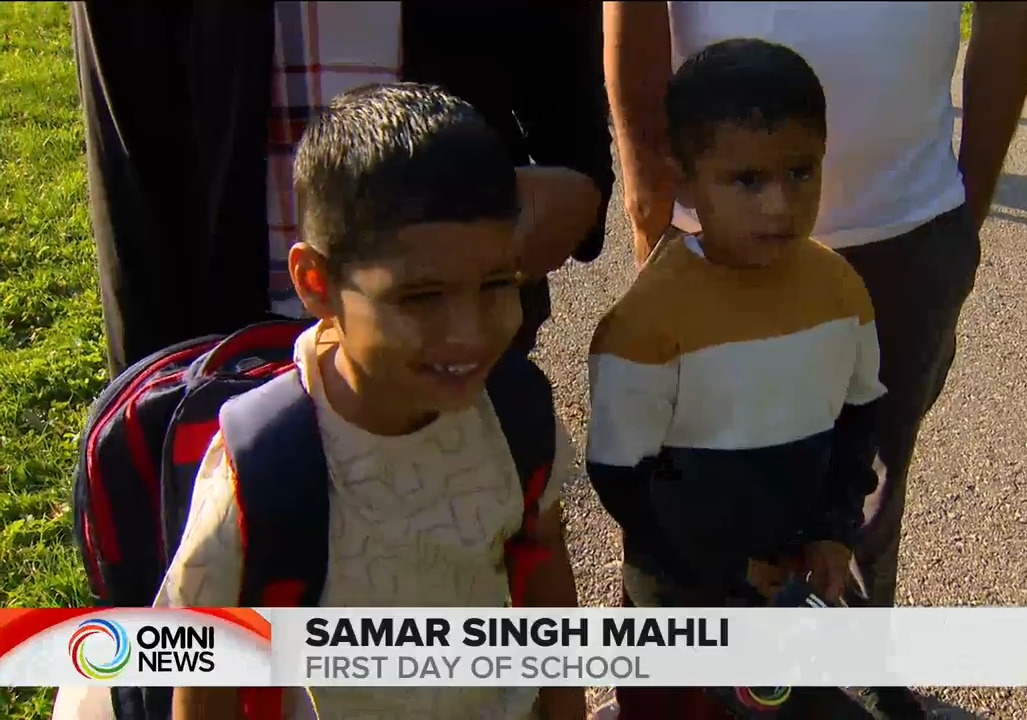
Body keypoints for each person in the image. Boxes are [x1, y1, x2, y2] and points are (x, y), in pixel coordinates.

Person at [63, 84, 587, 720]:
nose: (470, 332)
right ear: (317, 283)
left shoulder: (514, 415)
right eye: (421, 297)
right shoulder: (260, 469)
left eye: (497, 284)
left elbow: (549, 592)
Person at [604, 3, 1027, 716]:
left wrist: (966, 208)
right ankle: (673, 683)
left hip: (906, 221)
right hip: (707, 225)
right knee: (689, 466)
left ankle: (849, 663)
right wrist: (647, 190)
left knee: (863, 471)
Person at [69, 1, 612, 378]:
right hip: (239, 349)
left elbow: (565, 75)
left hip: (472, 349)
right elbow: (129, 155)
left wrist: (580, 180)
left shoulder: (515, 418)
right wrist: (150, 387)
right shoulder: (249, 456)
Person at [585, 39, 884, 719]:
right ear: (685, 181)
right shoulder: (648, 322)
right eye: (746, 181)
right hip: (680, 596)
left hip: (790, 586)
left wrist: (834, 530)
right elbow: (621, 476)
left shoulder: (840, 291)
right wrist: (724, 565)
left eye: (801, 171)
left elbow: (858, 419)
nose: (779, 205)